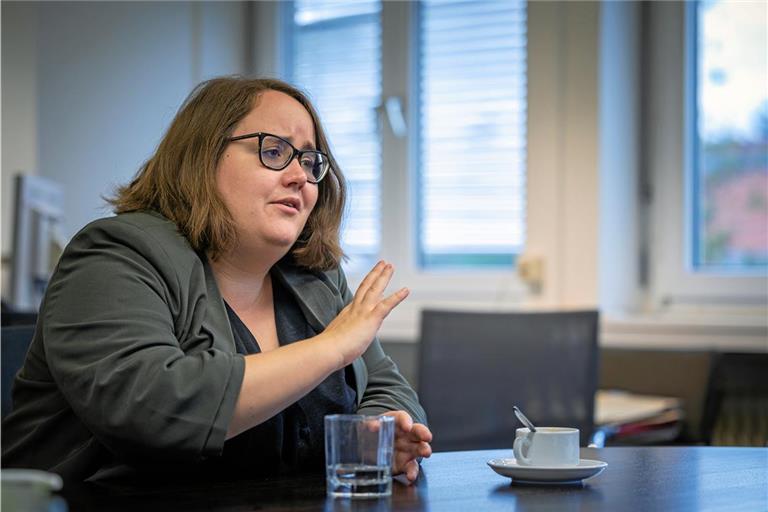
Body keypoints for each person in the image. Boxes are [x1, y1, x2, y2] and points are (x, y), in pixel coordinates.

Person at [1, 77, 432, 483]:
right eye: (275, 151)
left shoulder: (314, 275)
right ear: (202, 157)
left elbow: (383, 383)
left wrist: (383, 430)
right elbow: (152, 407)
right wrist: (330, 348)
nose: (300, 175)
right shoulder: (114, 254)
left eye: (309, 160)